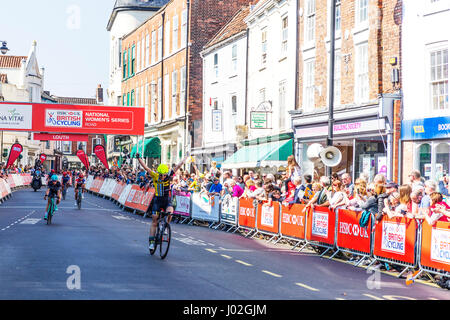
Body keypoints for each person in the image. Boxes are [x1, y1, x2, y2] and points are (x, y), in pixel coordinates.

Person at [137, 152, 189, 251]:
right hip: (157, 200)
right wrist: (139, 159)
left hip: (166, 199)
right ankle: (151, 243)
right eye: (162, 175)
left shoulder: (169, 174)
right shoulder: (155, 175)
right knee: (154, 221)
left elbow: (179, 165)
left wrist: (186, 157)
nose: (163, 177)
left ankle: (165, 227)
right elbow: (146, 167)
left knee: (170, 212)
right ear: (159, 173)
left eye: (165, 175)